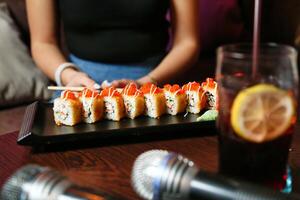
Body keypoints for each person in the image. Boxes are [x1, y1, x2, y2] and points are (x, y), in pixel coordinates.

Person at [26, 0, 199, 89]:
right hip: (78, 84)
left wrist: (147, 83)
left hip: (156, 79)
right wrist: (69, 76)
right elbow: (43, 43)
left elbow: (187, 42)